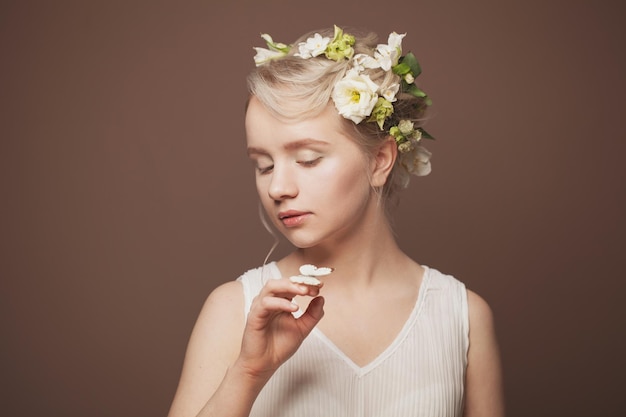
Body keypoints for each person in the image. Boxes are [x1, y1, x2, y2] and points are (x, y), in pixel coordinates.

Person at [168, 25, 504, 417]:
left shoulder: (461, 316)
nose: (278, 187)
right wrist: (249, 371)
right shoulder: (232, 310)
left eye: (308, 159)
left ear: (380, 160)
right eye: (263, 165)